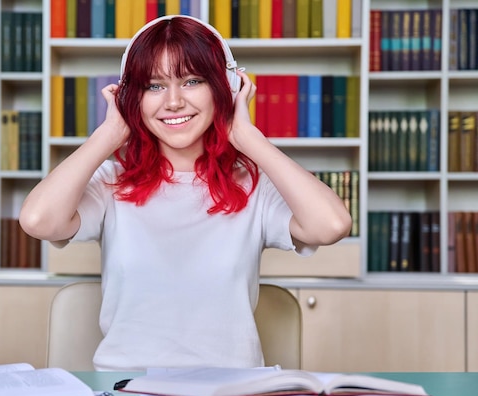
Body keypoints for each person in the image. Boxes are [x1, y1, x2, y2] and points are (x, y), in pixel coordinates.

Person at [19, 15, 352, 371]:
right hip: (128, 388)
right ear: (133, 97)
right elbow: (39, 220)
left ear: (225, 87)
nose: (174, 102)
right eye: (154, 86)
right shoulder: (112, 180)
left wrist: (248, 138)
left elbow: (331, 224)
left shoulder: (254, 184)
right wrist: (111, 133)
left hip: (231, 392)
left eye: (192, 81)